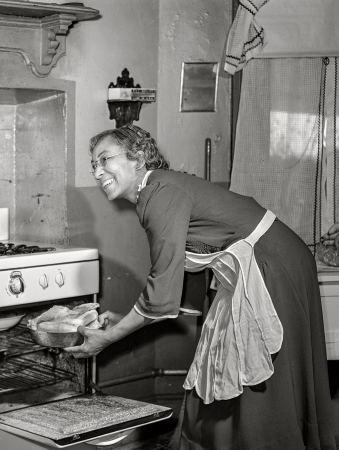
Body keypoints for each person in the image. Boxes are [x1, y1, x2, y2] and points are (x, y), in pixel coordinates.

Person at [65, 125, 339, 449]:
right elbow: (172, 278)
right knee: (223, 367)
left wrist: (108, 338)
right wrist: (125, 318)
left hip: (272, 266)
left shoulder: (160, 192)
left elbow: (161, 287)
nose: (97, 171)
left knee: (262, 377)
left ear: (138, 158)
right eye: (93, 165)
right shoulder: (155, 192)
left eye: (105, 159)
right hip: (250, 269)